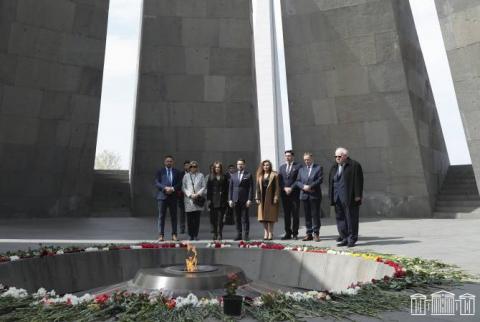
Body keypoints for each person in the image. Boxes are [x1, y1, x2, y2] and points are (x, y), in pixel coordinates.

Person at [328, 147, 364, 248]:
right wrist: (331, 196)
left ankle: (352, 239)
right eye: (335, 156)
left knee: (351, 218)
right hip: (337, 197)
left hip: (350, 198)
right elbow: (331, 182)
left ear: (345, 156)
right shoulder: (334, 167)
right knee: (340, 219)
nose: (337, 158)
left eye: (339, 156)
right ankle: (344, 237)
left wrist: (358, 195)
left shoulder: (354, 165)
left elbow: (359, 181)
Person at [294, 152, 323, 242]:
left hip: (314, 195)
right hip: (304, 195)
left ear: (312, 159)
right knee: (307, 216)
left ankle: (316, 234)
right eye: (305, 160)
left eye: (308, 159)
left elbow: (320, 179)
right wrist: (303, 187)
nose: (306, 161)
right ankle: (309, 233)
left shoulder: (318, 168)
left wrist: (310, 186)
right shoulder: (301, 169)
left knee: (315, 215)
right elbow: (297, 181)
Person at [155, 155, 181, 241]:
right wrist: (165, 188)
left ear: (173, 162)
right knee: (161, 216)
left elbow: (180, 183)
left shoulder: (177, 172)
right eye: (167, 161)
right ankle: (161, 235)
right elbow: (157, 183)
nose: (169, 162)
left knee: (174, 216)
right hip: (162, 197)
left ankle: (174, 235)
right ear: (164, 162)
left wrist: (172, 189)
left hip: (173, 197)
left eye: (170, 161)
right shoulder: (160, 171)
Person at [228, 158, 254, 241]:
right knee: (237, 218)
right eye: (238, 164)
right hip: (235, 200)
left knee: (245, 218)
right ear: (237, 165)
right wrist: (230, 200)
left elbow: (251, 188)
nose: (240, 165)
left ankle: (246, 235)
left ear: (244, 165)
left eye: (241, 164)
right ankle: (238, 234)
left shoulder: (248, 175)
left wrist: (250, 199)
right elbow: (230, 188)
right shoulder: (233, 175)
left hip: (245, 200)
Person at [278, 150, 301, 240]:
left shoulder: (298, 166)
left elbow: (299, 179)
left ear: (293, 157)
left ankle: (295, 233)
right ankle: (288, 233)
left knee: (295, 214)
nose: (287, 157)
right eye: (286, 156)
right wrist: (284, 188)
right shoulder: (282, 167)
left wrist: (291, 188)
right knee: (286, 214)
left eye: (289, 156)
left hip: (294, 193)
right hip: (284, 194)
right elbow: (280, 180)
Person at [255, 160, 280, 240]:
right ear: (262, 166)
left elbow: (277, 187)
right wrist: (257, 197)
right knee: (263, 217)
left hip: (271, 198)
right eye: (264, 165)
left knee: (271, 217)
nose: (266, 166)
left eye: (268, 165)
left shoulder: (274, 175)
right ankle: (265, 232)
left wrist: (276, 197)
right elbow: (257, 188)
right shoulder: (259, 175)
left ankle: (270, 233)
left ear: (270, 166)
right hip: (262, 198)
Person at [182, 161, 206, 241]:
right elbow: (183, 187)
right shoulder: (186, 176)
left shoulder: (201, 175)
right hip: (189, 200)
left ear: (197, 167)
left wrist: (198, 194)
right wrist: (190, 194)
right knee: (189, 219)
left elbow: (204, 186)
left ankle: (195, 235)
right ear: (190, 167)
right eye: (192, 166)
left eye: (195, 166)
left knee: (196, 219)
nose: (193, 168)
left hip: (197, 199)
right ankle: (190, 235)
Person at [206, 161, 229, 240]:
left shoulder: (224, 176)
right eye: (216, 167)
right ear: (214, 168)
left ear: (221, 168)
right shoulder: (210, 177)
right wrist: (208, 200)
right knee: (213, 218)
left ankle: (220, 233)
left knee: (221, 219)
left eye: (218, 167)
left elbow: (227, 189)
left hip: (222, 200)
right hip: (213, 200)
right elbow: (208, 189)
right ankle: (215, 233)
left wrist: (227, 200)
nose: (217, 169)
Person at [178, 160, 190, 235]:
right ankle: (182, 228)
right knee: (182, 213)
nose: (187, 167)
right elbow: (178, 184)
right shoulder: (181, 174)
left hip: (191, 197)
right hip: (182, 197)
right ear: (184, 166)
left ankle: (190, 228)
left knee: (190, 214)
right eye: (186, 165)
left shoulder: (193, 174)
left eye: (189, 165)